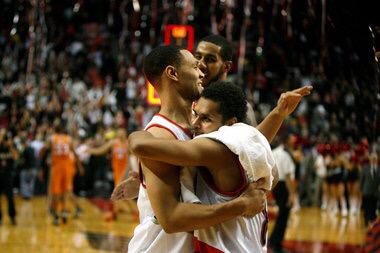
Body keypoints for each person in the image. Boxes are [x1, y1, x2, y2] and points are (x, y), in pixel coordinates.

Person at [127, 81, 311, 252]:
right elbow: (259, 135)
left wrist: (136, 133)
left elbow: (140, 146)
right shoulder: (244, 139)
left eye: (206, 119)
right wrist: (278, 113)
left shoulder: (215, 149)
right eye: (195, 114)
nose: (195, 123)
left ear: (230, 123)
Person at [127, 45, 267, 253]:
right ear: (172, 73)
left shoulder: (200, 127)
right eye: (195, 66)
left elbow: (250, 144)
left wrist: (279, 113)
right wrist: (241, 206)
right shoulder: (160, 136)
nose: (202, 71)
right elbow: (172, 220)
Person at [195, 35, 257, 126]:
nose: (201, 64)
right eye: (198, 57)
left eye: (210, 59)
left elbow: (253, 140)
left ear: (227, 66)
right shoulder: (188, 97)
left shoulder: (238, 107)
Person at [41, 123, 83, 225]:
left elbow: (43, 150)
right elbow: (75, 153)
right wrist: (80, 166)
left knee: (55, 192)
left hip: (57, 167)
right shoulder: (68, 139)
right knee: (66, 191)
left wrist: (43, 155)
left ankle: (55, 215)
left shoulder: (52, 138)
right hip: (67, 167)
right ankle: (64, 211)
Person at [87, 128, 130, 220]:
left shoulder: (127, 144)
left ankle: (115, 213)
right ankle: (123, 212)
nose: (121, 133)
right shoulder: (113, 143)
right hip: (116, 171)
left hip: (124, 171)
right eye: (119, 132)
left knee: (118, 192)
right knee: (121, 193)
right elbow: (101, 150)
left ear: (125, 133)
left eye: (122, 132)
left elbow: (131, 159)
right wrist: (91, 151)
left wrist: (128, 171)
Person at [269, 136, 297, 253]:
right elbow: (288, 176)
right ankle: (276, 243)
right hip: (283, 185)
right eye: (292, 141)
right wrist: (292, 194)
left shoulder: (273, 152)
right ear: (287, 142)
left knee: (281, 214)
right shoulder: (286, 155)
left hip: (275, 185)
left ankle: (273, 241)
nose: (294, 143)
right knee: (284, 215)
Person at [0, 129, 17, 225]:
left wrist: (10, 146)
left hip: (7, 175)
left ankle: (12, 217)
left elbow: (15, 156)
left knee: (10, 197)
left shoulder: (10, 146)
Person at [360, 151, 379, 226]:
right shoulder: (365, 168)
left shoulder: (379, 169)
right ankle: (366, 220)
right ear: (370, 159)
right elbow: (362, 180)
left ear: (377, 159)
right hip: (366, 191)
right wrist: (361, 190)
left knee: (374, 207)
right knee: (366, 206)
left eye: (375, 158)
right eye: (372, 158)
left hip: (375, 192)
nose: (374, 160)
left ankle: (373, 221)